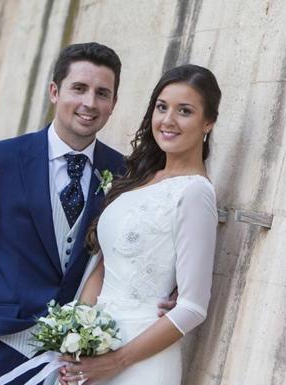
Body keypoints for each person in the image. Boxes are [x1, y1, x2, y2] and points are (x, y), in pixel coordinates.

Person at [0, 42, 172, 385]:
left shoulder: (124, 175)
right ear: (55, 91)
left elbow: (138, 249)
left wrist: (170, 290)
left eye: (102, 93)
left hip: (76, 367)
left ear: (113, 103)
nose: (89, 103)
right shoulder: (2, 160)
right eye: (79, 88)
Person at [58, 64, 220, 385]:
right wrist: (78, 337)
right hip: (94, 350)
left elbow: (192, 307)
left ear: (207, 123)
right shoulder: (139, 179)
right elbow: (104, 267)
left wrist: (117, 361)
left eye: (184, 111)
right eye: (162, 107)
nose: (168, 120)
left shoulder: (195, 192)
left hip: (140, 358)